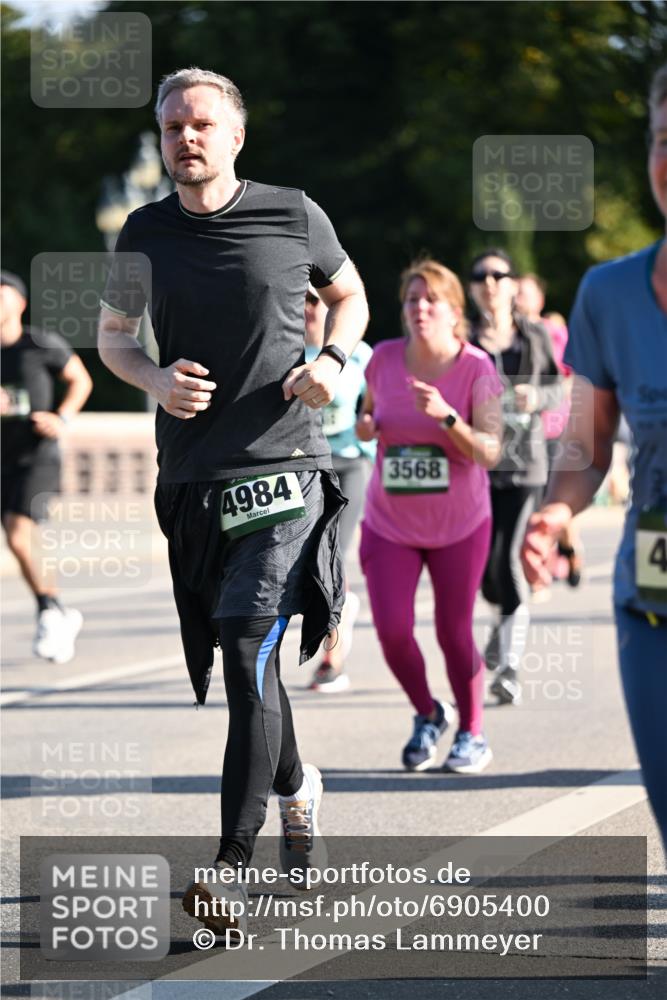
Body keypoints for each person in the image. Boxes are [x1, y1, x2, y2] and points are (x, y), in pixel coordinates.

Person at [97, 68, 369, 932]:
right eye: (173, 125)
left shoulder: (293, 212)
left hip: (282, 467)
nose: (187, 137)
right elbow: (112, 339)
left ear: (235, 136)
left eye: (203, 124)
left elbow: (349, 296)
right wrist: (154, 378)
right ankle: (296, 786)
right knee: (241, 655)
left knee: (253, 634)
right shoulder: (143, 231)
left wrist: (329, 363)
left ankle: (228, 868)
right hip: (189, 479)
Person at [522, 63, 667, 854]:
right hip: (655, 590)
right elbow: (584, 442)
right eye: (661, 138)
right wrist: (554, 507)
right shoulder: (609, 294)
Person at [356, 259, 502, 774]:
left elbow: (489, 452)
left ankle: (472, 732)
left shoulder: (477, 368)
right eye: (411, 300)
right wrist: (368, 427)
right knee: (393, 629)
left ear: (454, 312)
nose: (419, 308)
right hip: (390, 522)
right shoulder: (384, 358)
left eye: (431, 300)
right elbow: (367, 417)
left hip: (459, 524)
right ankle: (428, 712)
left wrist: (446, 416)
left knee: (453, 632)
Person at [468, 250, 562, 705]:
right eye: (481, 276)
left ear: (511, 284)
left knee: (508, 558)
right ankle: (500, 629)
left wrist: (536, 395)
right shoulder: (463, 338)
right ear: (470, 287)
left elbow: (559, 386)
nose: (490, 282)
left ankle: (509, 665)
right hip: (478, 462)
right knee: (485, 569)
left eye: (499, 275)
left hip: (526, 463)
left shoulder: (535, 334)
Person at [1, 270, 92, 663]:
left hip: (37, 453)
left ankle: (49, 609)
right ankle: (56, 611)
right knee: (24, 537)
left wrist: (61, 417)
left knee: (19, 533)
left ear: (19, 303)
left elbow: (80, 380)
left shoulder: (39, 343)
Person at [303, 285, 374, 692]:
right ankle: (343, 609)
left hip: (350, 464)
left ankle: (333, 660)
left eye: (318, 301)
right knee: (311, 562)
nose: (310, 309)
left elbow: (377, 407)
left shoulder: (359, 355)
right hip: (308, 469)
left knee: (334, 558)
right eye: (304, 301)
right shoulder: (288, 355)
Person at [516, 273, 582, 587]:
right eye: (515, 291)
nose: (518, 297)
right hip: (523, 431)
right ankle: (552, 555)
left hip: (556, 426)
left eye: (525, 292)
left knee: (551, 497)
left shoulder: (554, 332)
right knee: (536, 498)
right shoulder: (509, 334)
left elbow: (574, 374)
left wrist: (546, 395)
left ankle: (566, 546)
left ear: (540, 300)